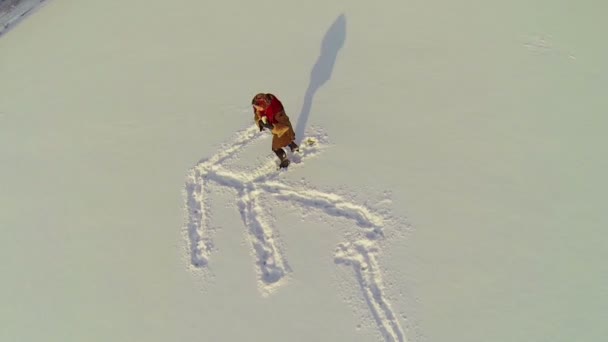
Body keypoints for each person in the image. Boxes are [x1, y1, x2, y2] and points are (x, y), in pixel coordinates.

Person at [251, 93, 299, 168]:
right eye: (255, 107)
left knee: (275, 147)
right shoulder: (264, 105)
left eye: (258, 107)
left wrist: (272, 127)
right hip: (278, 129)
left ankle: (284, 160)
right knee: (286, 139)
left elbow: (285, 127)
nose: (257, 109)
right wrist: (260, 122)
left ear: (264, 105)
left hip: (282, 129)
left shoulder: (277, 111)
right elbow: (257, 115)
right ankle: (293, 146)